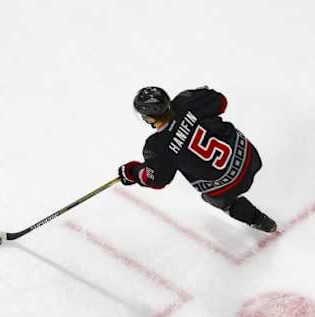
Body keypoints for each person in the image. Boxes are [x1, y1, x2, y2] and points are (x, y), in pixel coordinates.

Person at [118, 86, 277, 233]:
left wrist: (133, 172)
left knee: (218, 199)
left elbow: (156, 179)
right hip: (250, 157)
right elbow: (221, 102)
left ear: (149, 118)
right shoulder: (186, 102)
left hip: (227, 187)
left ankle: (259, 220)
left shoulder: (157, 146)